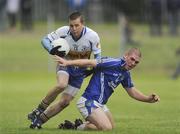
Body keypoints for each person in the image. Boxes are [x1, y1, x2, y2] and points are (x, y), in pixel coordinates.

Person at [54, 48, 160, 131]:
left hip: (100, 104)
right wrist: (67, 63)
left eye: (136, 62)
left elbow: (132, 92)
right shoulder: (112, 62)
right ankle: (77, 127)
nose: (133, 63)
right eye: (132, 59)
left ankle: (76, 126)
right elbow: (90, 62)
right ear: (126, 55)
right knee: (106, 128)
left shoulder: (126, 73)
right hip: (89, 101)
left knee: (111, 127)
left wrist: (148, 98)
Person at [27, 11, 101, 129]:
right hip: (65, 65)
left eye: (77, 25)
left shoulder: (93, 36)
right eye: (71, 25)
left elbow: (98, 59)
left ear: (83, 24)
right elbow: (44, 40)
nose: (74, 28)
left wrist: (92, 69)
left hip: (80, 72)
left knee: (65, 102)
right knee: (62, 84)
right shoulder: (63, 31)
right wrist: (51, 49)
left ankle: (39, 120)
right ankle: (38, 109)